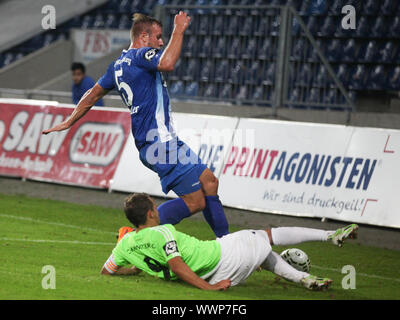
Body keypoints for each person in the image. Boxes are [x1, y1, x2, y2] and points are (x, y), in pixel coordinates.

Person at [42, 12, 229, 238]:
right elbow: (168, 63)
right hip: (160, 142)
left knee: (209, 182)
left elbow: (91, 95)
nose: (161, 42)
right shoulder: (141, 55)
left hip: (158, 141)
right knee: (196, 202)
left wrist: (69, 121)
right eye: (158, 37)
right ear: (143, 36)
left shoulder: (117, 66)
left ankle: (226, 243)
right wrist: (179, 29)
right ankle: (134, 235)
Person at [100, 193, 359, 291]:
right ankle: (330, 236)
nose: (157, 210)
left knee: (262, 252)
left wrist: (133, 269)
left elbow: (107, 271)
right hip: (219, 257)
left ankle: (305, 280)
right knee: (267, 235)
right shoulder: (163, 231)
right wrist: (207, 289)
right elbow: (177, 265)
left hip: (214, 272)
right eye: (155, 207)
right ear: (150, 213)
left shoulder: (123, 245)